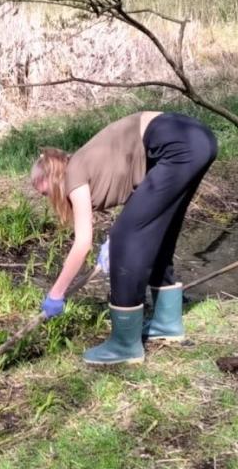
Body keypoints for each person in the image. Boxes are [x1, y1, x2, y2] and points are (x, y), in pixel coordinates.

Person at [31, 111, 218, 366]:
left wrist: (57, 293)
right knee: (157, 233)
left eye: (42, 192)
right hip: (198, 137)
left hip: (176, 142)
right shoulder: (91, 162)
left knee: (124, 240)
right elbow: (140, 197)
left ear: (49, 178)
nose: (46, 198)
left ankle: (124, 344)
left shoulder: (72, 173)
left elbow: (83, 242)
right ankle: (166, 322)